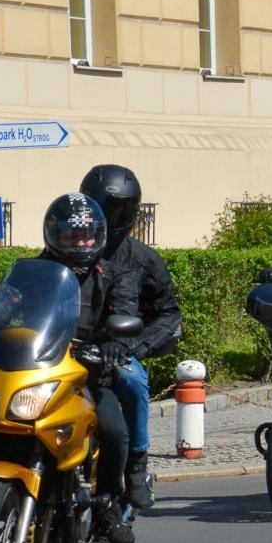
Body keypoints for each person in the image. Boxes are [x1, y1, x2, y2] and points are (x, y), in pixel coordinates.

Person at [40, 192, 141, 543]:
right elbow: (10, 302)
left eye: (84, 233)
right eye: (69, 233)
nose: (77, 240)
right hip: (41, 372)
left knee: (114, 431)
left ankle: (106, 502)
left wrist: (116, 340)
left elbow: (126, 308)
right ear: (54, 234)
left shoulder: (113, 274)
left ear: (97, 234)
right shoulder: (37, 270)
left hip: (89, 377)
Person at [79, 165, 182, 510]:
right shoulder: (71, 246)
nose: (110, 217)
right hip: (66, 348)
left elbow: (169, 314)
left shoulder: (142, 260)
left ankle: (136, 465)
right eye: (103, 207)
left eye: (119, 210)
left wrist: (132, 346)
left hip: (118, 348)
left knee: (133, 378)